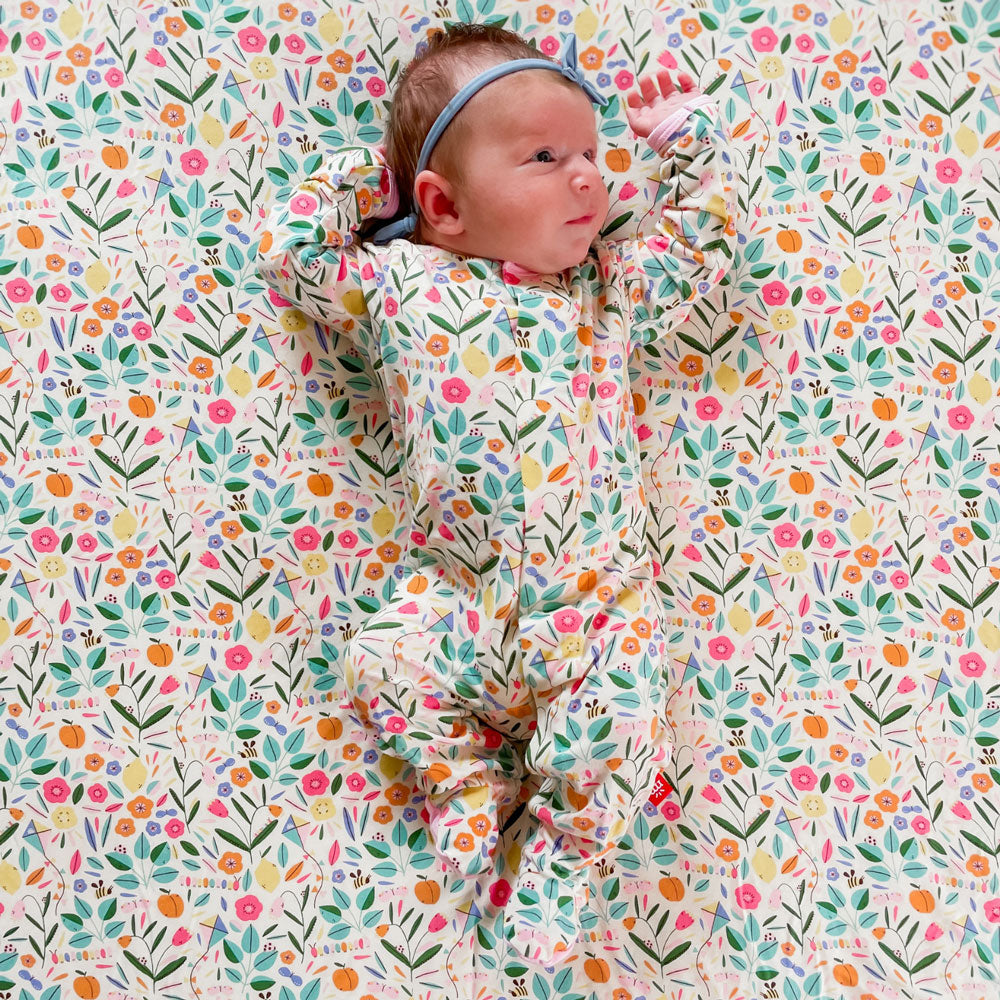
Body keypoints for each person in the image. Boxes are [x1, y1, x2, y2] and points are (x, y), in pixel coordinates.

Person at [257, 22, 735, 966]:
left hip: (593, 605)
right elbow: (291, 257)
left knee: (624, 721)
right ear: (442, 203)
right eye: (546, 158)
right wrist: (377, 175)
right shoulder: (399, 284)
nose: (588, 177)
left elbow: (701, 257)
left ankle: (560, 859)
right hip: (458, 598)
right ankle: (459, 778)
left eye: (592, 153)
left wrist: (694, 149)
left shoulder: (603, 290)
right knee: (381, 657)